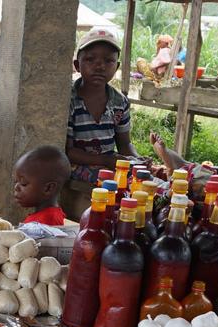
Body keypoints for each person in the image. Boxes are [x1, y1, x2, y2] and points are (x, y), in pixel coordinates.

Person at [66, 28, 138, 185]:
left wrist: (136, 160)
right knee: (114, 181)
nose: (99, 66)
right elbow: (69, 151)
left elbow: (124, 144)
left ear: (116, 67)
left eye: (108, 61)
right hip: (78, 165)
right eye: (90, 59)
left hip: (108, 164)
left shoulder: (120, 102)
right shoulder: (70, 100)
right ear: (77, 65)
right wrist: (105, 160)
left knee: (144, 178)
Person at [15, 145, 70, 226]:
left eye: (23, 183)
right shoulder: (45, 216)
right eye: (15, 181)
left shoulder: (45, 223)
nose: (16, 187)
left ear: (48, 188)